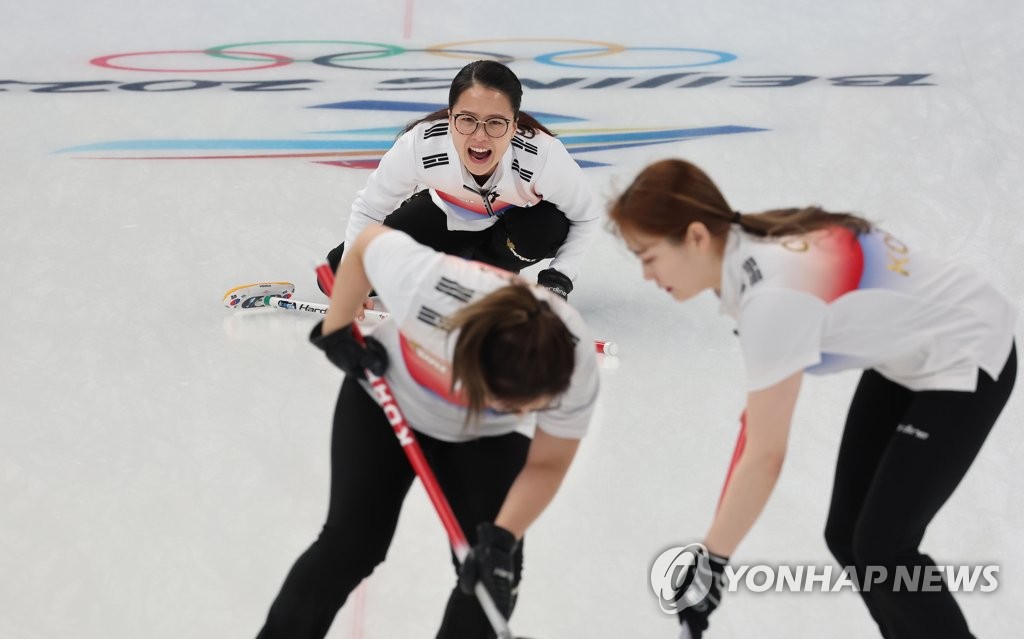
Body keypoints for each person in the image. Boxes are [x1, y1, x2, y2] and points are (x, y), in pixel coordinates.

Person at [608, 159, 1018, 638]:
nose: (645, 274)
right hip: (909, 357)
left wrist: (713, 561)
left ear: (696, 236)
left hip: (966, 350)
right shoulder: (748, 254)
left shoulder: (773, 298)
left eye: (648, 255)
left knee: (885, 547)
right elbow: (757, 429)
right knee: (848, 537)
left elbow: (765, 457)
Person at [257, 225, 601, 638]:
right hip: (388, 398)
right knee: (350, 545)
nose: (503, 408)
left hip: (487, 438)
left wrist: (501, 539)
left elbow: (547, 462)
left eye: (520, 408)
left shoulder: (574, 363)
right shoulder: (430, 286)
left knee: (492, 578)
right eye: (496, 398)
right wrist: (338, 328)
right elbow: (367, 243)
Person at [322, 59, 601, 300]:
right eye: (467, 119)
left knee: (544, 228)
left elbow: (586, 217)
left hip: (513, 233)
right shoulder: (421, 145)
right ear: (450, 117)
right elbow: (370, 208)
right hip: (445, 216)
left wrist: (557, 281)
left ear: (514, 125)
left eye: (495, 122)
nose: (480, 137)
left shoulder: (543, 155)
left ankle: (484, 275)